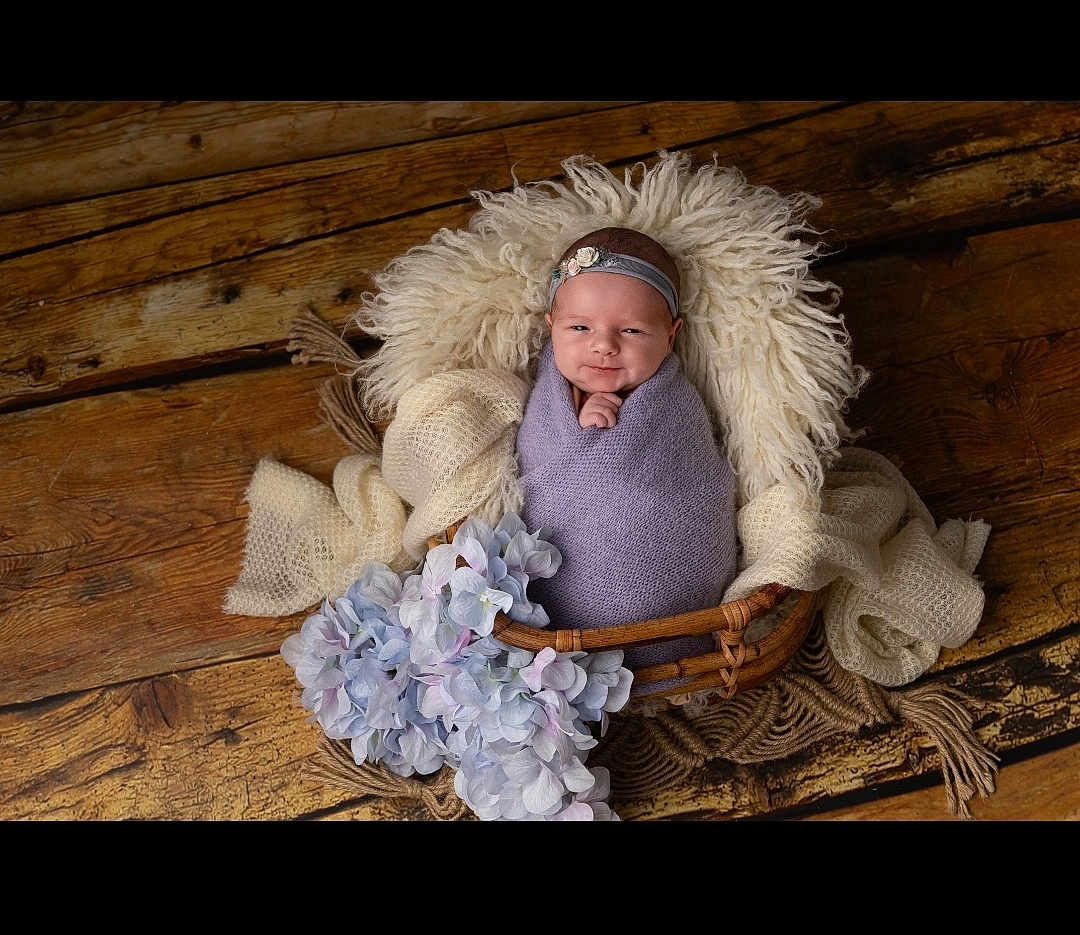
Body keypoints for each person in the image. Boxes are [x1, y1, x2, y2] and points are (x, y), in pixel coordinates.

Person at [515, 227, 740, 697]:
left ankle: (657, 634)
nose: (603, 346)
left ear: (671, 335)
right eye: (579, 328)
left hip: (663, 526)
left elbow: (696, 479)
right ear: (550, 325)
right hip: (570, 542)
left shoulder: (672, 400)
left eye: (632, 331)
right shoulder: (551, 392)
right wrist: (579, 414)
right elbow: (539, 459)